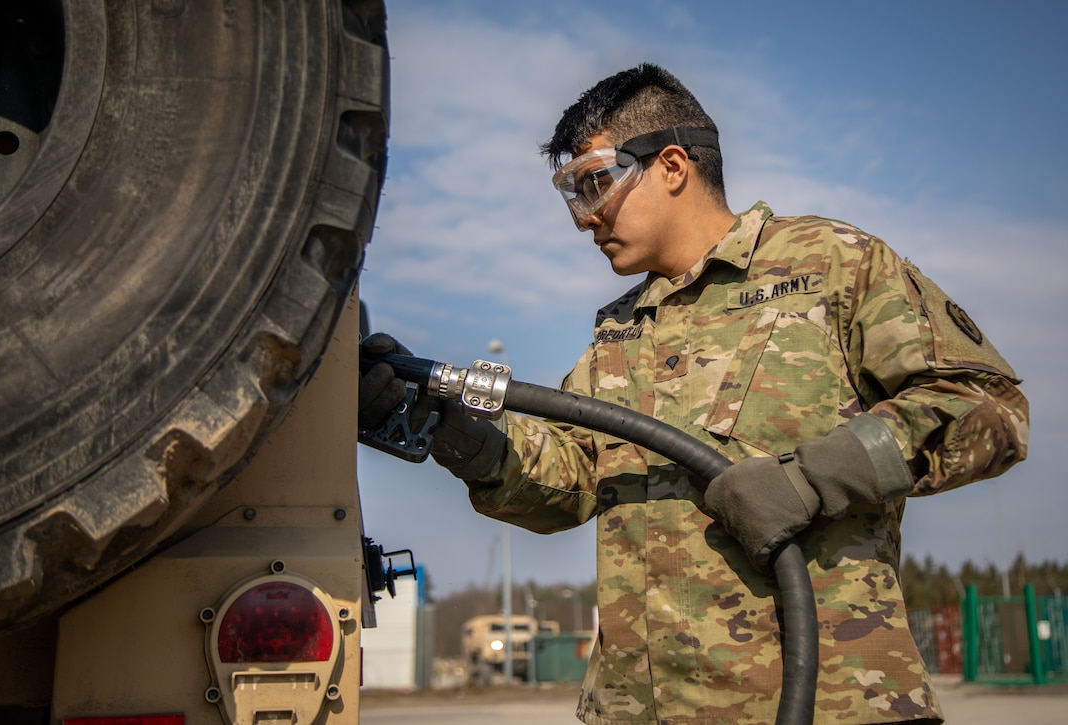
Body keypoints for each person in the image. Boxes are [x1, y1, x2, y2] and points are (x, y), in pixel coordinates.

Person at [358, 63, 1028, 724]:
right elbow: (568, 478)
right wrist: (449, 426)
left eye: (596, 183)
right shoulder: (619, 328)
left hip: (828, 702)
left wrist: (814, 479)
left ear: (672, 165)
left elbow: (986, 403)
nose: (584, 219)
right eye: (573, 196)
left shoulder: (831, 264)